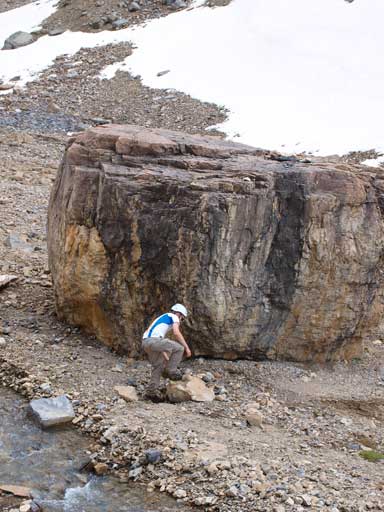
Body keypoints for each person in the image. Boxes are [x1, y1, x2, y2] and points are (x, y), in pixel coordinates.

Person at [142, 304, 191, 400]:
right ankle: (172, 371)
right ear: (179, 314)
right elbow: (176, 333)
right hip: (154, 341)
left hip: (146, 343)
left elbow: (161, 346)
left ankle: (151, 393)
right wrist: (187, 348)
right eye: (182, 319)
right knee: (179, 348)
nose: (181, 321)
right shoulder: (174, 316)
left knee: (158, 366)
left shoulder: (163, 318)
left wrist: (168, 360)